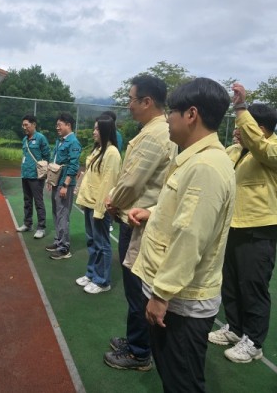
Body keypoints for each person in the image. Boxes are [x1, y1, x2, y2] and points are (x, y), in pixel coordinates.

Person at [130, 77, 236, 392]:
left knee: (182, 383)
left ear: (191, 115)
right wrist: (154, 214)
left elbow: (192, 236)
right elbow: (188, 216)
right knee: (176, 377)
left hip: (181, 302)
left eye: (171, 112)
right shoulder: (196, 159)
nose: (166, 119)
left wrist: (161, 294)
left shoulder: (205, 165)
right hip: (178, 297)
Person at [208, 83, 277, 363]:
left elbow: (260, 147)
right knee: (230, 282)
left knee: (253, 285)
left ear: (261, 129)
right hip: (231, 227)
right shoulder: (235, 152)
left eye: (245, 125)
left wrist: (241, 108)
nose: (237, 129)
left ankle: (254, 342)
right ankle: (235, 329)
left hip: (259, 230)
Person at [103, 74, 175, 371]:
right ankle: (136, 340)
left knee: (136, 290)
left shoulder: (154, 135)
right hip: (139, 217)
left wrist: (112, 201)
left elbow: (132, 182)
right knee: (135, 287)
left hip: (139, 220)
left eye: (131, 100)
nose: (129, 106)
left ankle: (139, 352)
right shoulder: (155, 131)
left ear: (147, 102)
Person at [75, 116, 121, 294]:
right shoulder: (98, 149)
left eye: (97, 129)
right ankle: (92, 273)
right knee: (92, 241)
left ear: (105, 130)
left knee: (102, 244)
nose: (94, 132)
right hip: (89, 202)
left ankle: (103, 281)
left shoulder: (112, 153)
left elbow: (108, 183)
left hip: (99, 206)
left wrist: (101, 210)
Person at [45, 113, 82, 260]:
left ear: (68, 125)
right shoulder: (60, 141)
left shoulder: (73, 142)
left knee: (63, 215)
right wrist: (50, 180)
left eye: (60, 125)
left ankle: (64, 247)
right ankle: (58, 240)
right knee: (56, 213)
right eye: (57, 125)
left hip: (64, 183)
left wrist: (65, 185)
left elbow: (73, 165)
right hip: (56, 181)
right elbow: (55, 162)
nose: (57, 127)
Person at [15, 115, 51, 239]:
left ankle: (41, 227)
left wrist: (44, 170)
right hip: (25, 174)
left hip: (36, 176)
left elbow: (47, 155)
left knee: (38, 202)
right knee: (27, 201)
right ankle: (27, 224)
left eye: (26, 125)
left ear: (34, 124)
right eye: (23, 125)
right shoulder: (24, 139)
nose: (24, 127)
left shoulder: (40, 138)